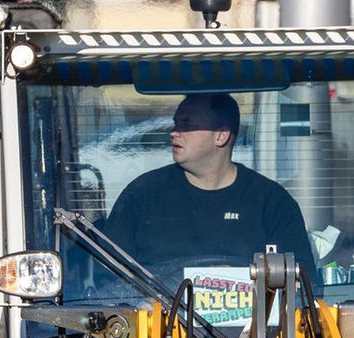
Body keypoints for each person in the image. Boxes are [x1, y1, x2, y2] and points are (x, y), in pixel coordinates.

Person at [101, 93, 316, 283]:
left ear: (221, 136)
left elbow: (304, 285)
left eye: (187, 125)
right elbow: (107, 278)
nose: (174, 132)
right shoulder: (141, 196)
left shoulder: (272, 203)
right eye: (176, 123)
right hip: (157, 328)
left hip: (257, 328)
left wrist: (234, 282)